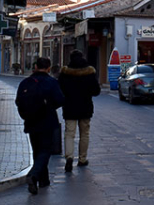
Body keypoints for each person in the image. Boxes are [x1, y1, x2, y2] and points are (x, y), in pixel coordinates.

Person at [15, 57, 65, 195]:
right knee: (45, 150)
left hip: (31, 121)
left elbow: (18, 101)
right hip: (47, 120)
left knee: (37, 150)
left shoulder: (26, 82)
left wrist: (26, 114)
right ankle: (34, 175)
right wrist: (49, 106)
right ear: (48, 68)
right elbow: (61, 100)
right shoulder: (51, 82)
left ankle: (43, 181)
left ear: (35, 66)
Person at [58, 50, 101, 172]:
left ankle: (69, 157)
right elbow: (96, 91)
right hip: (85, 107)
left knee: (69, 133)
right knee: (84, 134)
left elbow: (59, 90)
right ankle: (82, 159)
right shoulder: (89, 72)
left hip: (69, 107)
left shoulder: (65, 72)